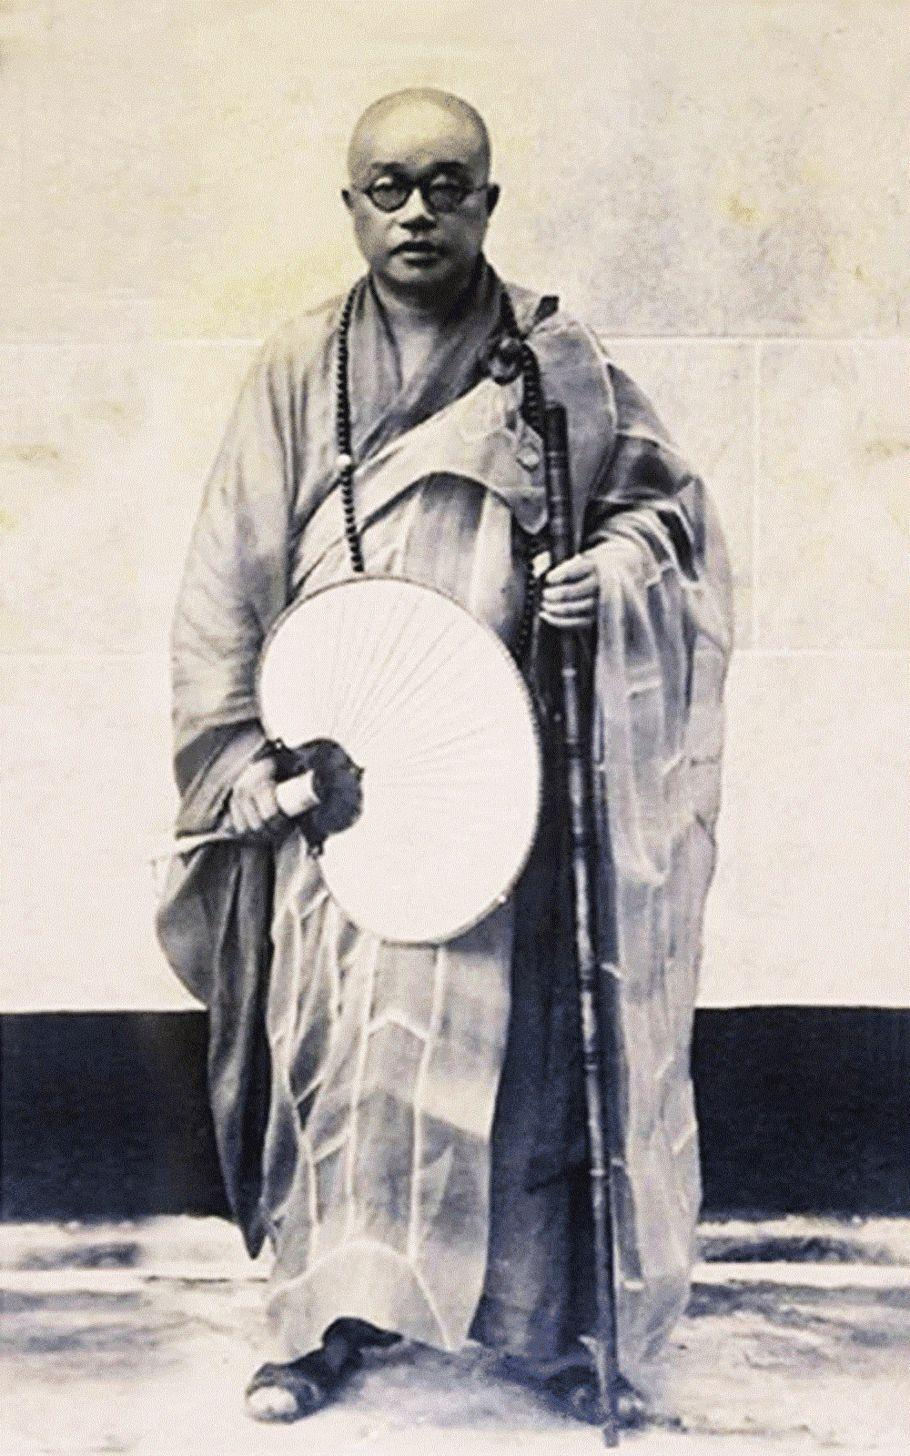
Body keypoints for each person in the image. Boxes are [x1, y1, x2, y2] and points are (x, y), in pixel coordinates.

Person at [157, 87, 733, 1427]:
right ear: (351, 204)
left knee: (517, 1059)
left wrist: (610, 571)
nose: (417, 211)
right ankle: (325, 1323)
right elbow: (226, 584)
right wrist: (246, 764)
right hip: (351, 787)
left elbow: (666, 514)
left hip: (505, 784)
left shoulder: (554, 359)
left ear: (487, 199)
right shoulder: (299, 366)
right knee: (343, 1047)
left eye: (445, 185)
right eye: (389, 187)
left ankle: (541, 1329)